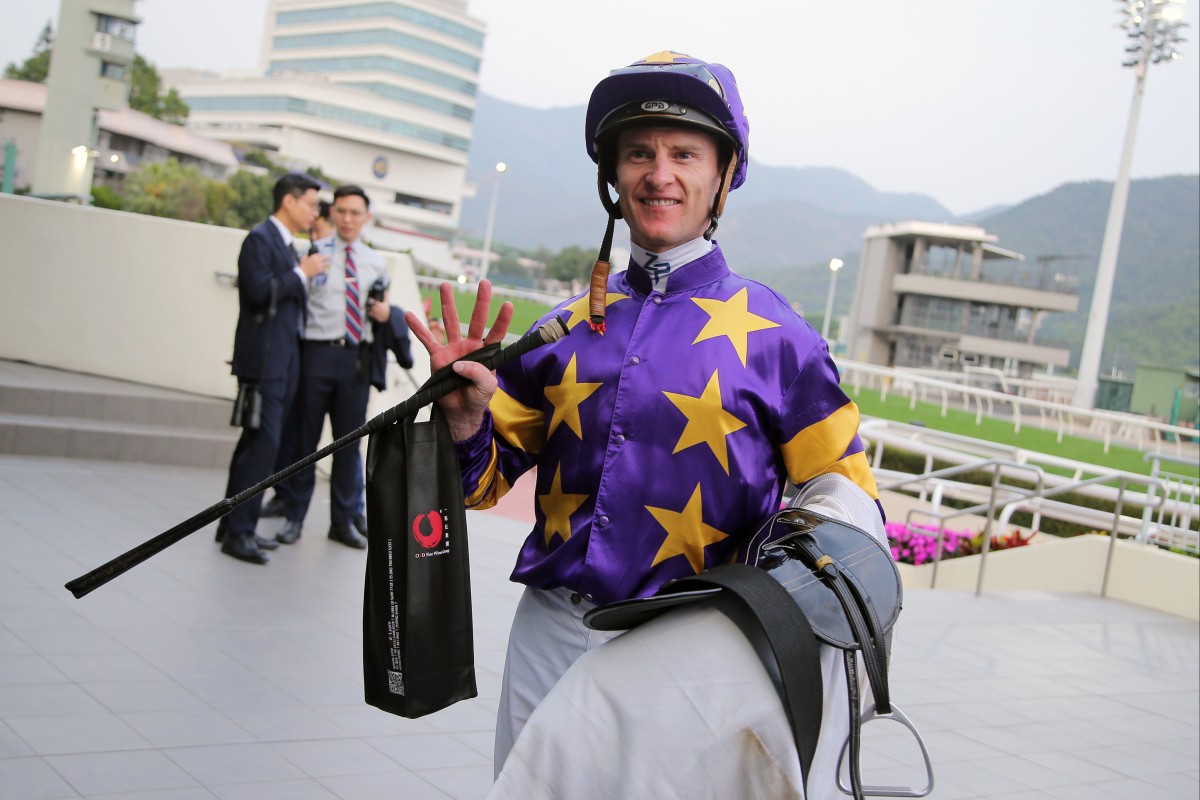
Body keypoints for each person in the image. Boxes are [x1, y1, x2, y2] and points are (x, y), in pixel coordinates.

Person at [404, 50, 884, 791]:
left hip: (693, 650)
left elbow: (852, 515)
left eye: (684, 153)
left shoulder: (782, 337)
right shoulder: (562, 328)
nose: (660, 174)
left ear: (721, 177)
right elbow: (480, 481)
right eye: (639, 153)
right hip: (552, 628)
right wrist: (466, 420)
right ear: (615, 177)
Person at [270, 184, 414, 549]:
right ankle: (294, 518)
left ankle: (343, 520)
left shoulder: (375, 262)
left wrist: (385, 314)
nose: (348, 219)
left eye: (355, 212)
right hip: (317, 355)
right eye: (342, 211)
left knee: (348, 444)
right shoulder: (314, 253)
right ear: (332, 214)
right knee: (305, 442)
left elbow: (381, 305)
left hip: (356, 360)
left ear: (366, 217)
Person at [217, 173, 329, 564]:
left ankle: (230, 524)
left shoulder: (283, 245)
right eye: (312, 204)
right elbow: (259, 292)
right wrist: (302, 273)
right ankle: (239, 531)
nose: (316, 212)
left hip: (281, 362)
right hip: (266, 363)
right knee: (261, 447)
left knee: (256, 445)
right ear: (289, 201)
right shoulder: (260, 240)